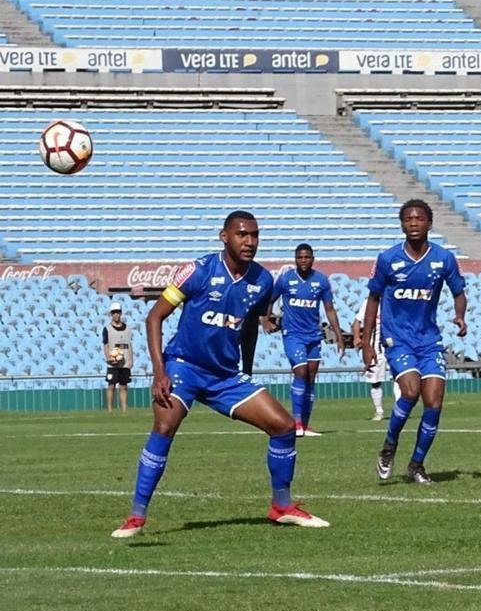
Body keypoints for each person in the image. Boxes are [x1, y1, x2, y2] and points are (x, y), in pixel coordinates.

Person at [110, 211, 328, 538]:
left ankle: (282, 507)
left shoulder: (262, 281)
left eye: (255, 235)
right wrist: (159, 372)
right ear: (224, 237)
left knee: (284, 427)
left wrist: (247, 370)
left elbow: (250, 326)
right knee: (164, 427)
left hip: (225, 376)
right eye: (242, 234)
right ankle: (136, 516)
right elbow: (154, 317)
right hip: (183, 366)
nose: (250, 242)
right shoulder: (198, 271)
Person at [361, 199, 467, 484]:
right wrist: (367, 344)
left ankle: (416, 465)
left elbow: (459, 292)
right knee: (410, 391)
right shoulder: (387, 259)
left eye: (419, 219)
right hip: (397, 339)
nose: (414, 223)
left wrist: (460, 316)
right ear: (402, 225)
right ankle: (389, 446)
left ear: (429, 223)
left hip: (429, 341)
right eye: (408, 219)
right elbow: (373, 299)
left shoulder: (443, 258)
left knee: (434, 401)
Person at [260, 243, 344, 437]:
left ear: (312, 259)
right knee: (300, 371)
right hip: (293, 334)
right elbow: (269, 300)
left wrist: (339, 336)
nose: (303, 260)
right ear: (295, 259)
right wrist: (265, 320)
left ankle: (305, 425)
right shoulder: (285, 279)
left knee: (311, 378)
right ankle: (296, 423)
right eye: (300, 257)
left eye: (307, 257)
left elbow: (329, 309)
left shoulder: (321, 280)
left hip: (313, 335)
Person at [352, 295, 401, 421]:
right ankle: (379, 411)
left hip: (394, 347)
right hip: (375, 349)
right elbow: (357, 321)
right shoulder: (369, 303)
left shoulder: (395, 301)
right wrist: (357, 338)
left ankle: (399, 410)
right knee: (375, 382)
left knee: (398, 377)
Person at [102, 301, 134, 412]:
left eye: (118, 312)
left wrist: (131, 359)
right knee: (111, 385)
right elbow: (105, 345)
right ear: (111, 314)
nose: (116, 314)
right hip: (113, 363)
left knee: (123, 386)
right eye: (114, 312)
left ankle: (124, 410)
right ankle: (110, 410)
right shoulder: (107, 329)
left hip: (125, 362)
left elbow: (129, 344)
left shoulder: (128, 328)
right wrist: (109, 358)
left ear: (121, 313)